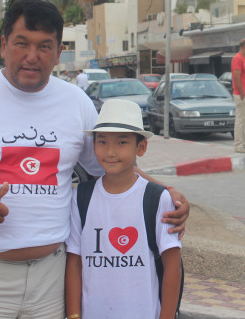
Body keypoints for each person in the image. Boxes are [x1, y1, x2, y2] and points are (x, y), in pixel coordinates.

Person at [0, 0, 188, 319]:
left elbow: (112, 167)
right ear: (4, 45)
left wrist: (166, 193)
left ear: (58, 53)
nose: (32, 56)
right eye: (22, 43)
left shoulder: (76, 103)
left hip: (50, 281)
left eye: (44, 46)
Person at [65, 99, 181, 319]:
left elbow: (172, 265)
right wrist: (73, 315)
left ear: (141, 147)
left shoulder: (156, 198)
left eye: (121, 142)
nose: (110, 152)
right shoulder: (80, 197)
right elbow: (74, 262)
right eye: (102, 141)